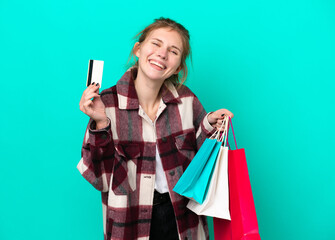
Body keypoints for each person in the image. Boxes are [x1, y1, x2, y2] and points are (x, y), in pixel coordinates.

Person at [78, 17, 234, 240]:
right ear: (138, 50)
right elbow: (99, 179)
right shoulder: (106, 104)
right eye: (156, 44)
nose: (162, 54)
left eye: (173, 50)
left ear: (178, 67)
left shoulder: (186, 100)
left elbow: (202, 166)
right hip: (130, 221)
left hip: (182, 218)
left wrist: (210, 125)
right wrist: (101, 124)